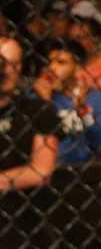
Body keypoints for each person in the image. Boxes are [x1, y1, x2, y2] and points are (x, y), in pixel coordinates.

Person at [0, 36, 60, 243]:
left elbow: (41, 171)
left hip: (22, 222)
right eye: (2, 62)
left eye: (14, 64)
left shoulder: (37, 110)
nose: (7, 70)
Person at [34, 37, 101, 166]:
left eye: (61, 62)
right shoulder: (35, 97)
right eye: (49, 62)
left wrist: (83, 111)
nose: (52, 68)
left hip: (84, 169)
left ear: (77, 67)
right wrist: (44, 103)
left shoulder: (97, 98)